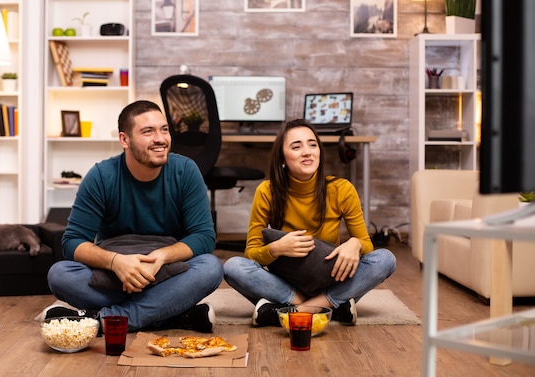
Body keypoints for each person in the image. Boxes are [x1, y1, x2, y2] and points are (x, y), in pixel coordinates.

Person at [42, 100, 224, 333]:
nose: (160, 139)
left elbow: (204, 236)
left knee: (210, 267)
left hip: (167, 270)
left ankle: (104, 320)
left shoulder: (185, 170)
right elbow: (72, 242)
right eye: (148, 131)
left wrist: (160, 257)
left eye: (164, 129)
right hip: (115, 272)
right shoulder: (101, 176)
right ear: (124, 140)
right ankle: (170, 313)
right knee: (59, 274)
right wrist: (116, 262)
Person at [223, 119, 396, 326]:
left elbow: (367, 247)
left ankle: (298, 311)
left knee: (385, 259)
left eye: (312, 144)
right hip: (286, 285)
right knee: (233, 267)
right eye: (296, 146)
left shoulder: (342, 189)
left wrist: (356, 243)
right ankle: (332, 308)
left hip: (333, 280)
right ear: (282, 159)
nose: (307, 152)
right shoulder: (266, 191)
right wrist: (276, 249)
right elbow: (251, 253)